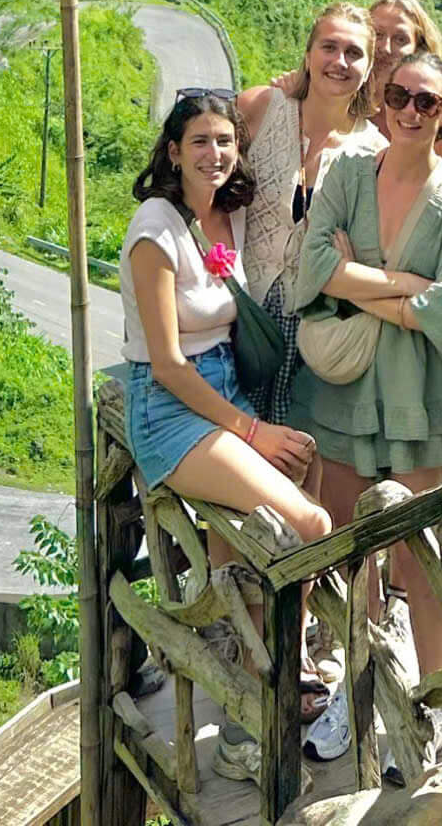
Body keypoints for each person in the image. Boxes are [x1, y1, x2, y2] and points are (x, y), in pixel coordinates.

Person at [121, 90, 334, 782]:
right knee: (308, 524)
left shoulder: (228, 214)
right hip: (170, 406)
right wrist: (251, 430)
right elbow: (165, 363)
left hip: (223, 390)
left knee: (301, 476)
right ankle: (269, 691)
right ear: (173, 151)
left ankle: (252, 679)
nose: (214, 154)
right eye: (200, 141)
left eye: (225, 141)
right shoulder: (155, 230)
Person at [291, 51, 442, 760]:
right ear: (381, 96)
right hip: (345, 392)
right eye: (400, 95)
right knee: (353, 561)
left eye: (426, 101)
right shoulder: (348, 173)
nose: (410, 110)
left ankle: (437, 712)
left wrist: (356, 279)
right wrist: (406, 289)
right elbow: (312, 268)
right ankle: (357, 697)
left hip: (417, 399)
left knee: (421, 566)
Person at [237, 4, 383, 423]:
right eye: (329, 47)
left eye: (354, 53)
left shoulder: (374, 152)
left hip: (312, 334)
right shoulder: (261, 107)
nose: (340, 61)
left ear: (369, 68)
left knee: (293, 443)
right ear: (308, 54)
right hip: (238, 315)